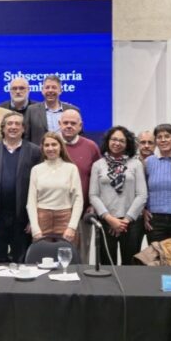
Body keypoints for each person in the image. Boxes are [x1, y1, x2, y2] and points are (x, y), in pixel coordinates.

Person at [0, 112, 41, 263]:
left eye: (17, 124)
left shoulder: (34, 151)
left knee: (21, 262)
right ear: (3, 128)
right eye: (9, 124)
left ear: (23, 129)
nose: (13, 127)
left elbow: (40, 187)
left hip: (23, 217)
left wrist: (34, 219)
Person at [89, 126, 148, 266]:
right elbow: (93, 195)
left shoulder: (136, 164)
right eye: (114, 139)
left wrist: (125, 221)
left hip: (131, 223)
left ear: (127, 144)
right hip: (106, 221)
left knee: (130, 266)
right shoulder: (98, 165)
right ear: (108, 141)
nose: (117, 143)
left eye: (122, 141)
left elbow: (142, 195)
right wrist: (110, 219)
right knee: (107, 265)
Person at [26, 132, 83, 245]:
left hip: (65, 220)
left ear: (61, 147)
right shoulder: (36, 170)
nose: (50, 148)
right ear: (42, 148)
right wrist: (35, 228)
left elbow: (78, 200)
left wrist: (72, 227)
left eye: (54, 144)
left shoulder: (71, 169)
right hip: (42, 220)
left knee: (66, 254)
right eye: (47, 145)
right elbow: (31, 202)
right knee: (43, 255)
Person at [59, 109, 101, 263]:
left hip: (83, 213)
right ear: (59, 124)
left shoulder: (91, 147)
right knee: (58, 256)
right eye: (65, 123)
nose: (69, 126)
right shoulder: (51, 146)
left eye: (73, 123)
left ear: (80, 126)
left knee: (81, 257)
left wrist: (93, 205)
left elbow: (99, 178)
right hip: (57, 212)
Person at [25, 75, 80, 146]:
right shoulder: (31, 110)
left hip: (67, 151)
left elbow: (79, 137)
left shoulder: (72, 110)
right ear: (42, 90)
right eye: (47, 87)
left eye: (54, 87)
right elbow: (26, 138)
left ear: (60, 91)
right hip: (39, 152)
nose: (50, 90)